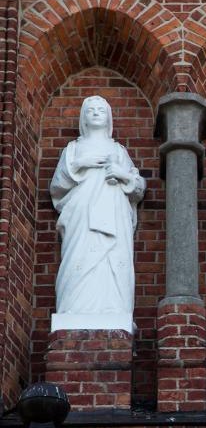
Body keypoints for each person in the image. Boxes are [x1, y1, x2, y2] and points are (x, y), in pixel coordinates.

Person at [50, 95, 145, 316]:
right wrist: (80, 165)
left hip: (113, 211)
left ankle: (115, 309)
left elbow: (139, 186)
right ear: (83, 117)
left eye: (101, 110)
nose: (95, 113)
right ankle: (74, 308)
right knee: (80, 255)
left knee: (113, 259)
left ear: (108, 117)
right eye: (90, 109)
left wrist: (121, 174)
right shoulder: (73, 149)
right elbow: (57, 186)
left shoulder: (119, 151)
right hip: (82, 212)